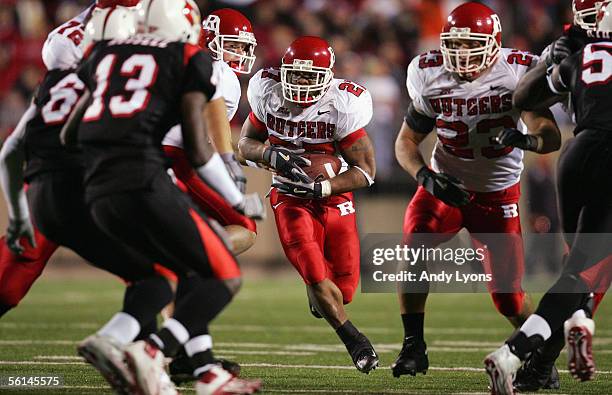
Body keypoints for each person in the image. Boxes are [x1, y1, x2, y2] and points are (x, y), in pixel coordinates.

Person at [64, 0, 263, 393]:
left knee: (162, 272)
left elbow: (69, 134)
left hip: (94, 178)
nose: (240, 55)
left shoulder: (106, 52)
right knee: (216, 266)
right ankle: (154, 350)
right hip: (152, 167)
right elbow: (201, 139)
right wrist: (231, 180)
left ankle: (200, 368)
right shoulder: (191, 59)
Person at [0, 3, 179, 394]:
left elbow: (11, 150)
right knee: (157, 274)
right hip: (93, 190)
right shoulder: (126, 75)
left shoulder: (59, 75)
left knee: (8, 282)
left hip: (40, 192)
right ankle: (139, 359)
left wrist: (16, 215)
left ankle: (148, 361)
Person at [391, 1, 561, 378]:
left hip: (497, 194)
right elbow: (406, 142)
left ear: (494, 42)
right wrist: (425, 177)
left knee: (509, 299)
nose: (463, 53)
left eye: (472, 44)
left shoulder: (518, 70)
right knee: (413, 246)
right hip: (445, 183)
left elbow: (550, 138)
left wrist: (524, 140)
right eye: (457, 44)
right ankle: (413, 347)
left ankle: (542, 355)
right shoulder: (429, 72)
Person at [484, 3, 612, 394]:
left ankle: (563, 339)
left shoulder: (577, 51)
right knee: (584, 273)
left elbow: (524, 95)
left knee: (585, 269)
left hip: (576, 154)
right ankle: (515, 352)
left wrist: (551, 61)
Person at [238, 35, 379, 373]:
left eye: (308, 76)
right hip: (288, 197)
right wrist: (270, 154)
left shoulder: (343, 104)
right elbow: (245, 144)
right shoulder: (268, 92)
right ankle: (354, 340)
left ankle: (322, 298)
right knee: (315, 274)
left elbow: (366, 172)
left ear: (326, 75)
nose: (300, 83)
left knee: (342, 291)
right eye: (295, 75)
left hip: (333, 197)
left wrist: (325, 187)